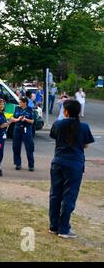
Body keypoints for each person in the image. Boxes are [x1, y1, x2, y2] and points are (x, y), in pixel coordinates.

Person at [48, 100, 94, 238]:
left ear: (66, 111)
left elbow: (55, 138)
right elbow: (86, 145)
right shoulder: (84, 127)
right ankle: (64, 229)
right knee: (69, 196)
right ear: (78, 112)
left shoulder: (58, 124)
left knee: (55, 194)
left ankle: (53, 226)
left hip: (58, 161)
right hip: (75, 164)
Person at [0, 99, 17, 176]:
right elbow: (2, 125)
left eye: (3, 104)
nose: (2, 106)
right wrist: (10, 121)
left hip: (0, 135)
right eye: (0, 104)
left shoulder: (1, 114)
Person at [12, 97, 35, 171]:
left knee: (29, 147)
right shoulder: (17, 108)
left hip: (26, 128)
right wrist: (18, 119)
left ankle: (31, 165)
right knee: (16, 146)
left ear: (25, 102)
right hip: (17, 128)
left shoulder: (30, 109)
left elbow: (32, 121)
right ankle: (18, 164)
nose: (19, 103)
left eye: (20, 102)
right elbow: (13, 118)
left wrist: (25, 119)